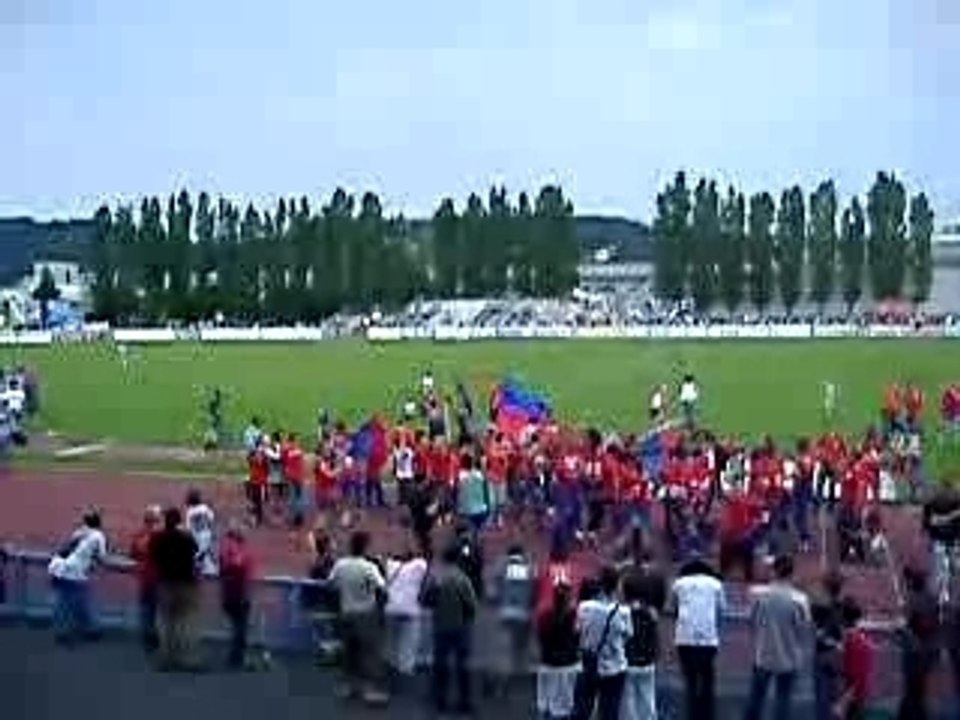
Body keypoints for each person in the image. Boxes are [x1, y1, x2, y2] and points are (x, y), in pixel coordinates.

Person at [742, 555, 812, 720]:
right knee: (783, 700)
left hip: (763, 654)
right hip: (789, 656)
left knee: (756, 699)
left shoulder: (756, 594)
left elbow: (750, 620)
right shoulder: (800, 599)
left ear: (774, 571)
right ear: (791, 573)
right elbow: (803, 629)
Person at [328, 530, 389, 705]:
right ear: (365, 547)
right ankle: (369, 691)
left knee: (349, 652)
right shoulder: (369, 567)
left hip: (346, 612)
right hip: (366, 614)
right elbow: (382, 589)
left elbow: (331, 584)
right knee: (369, 653)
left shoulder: (341, 564)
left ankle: (349, 687)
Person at [419, 542, 479, 717]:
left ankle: (440, 700)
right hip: (460, 628)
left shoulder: (436, 578)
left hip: (440, 627)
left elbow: (424, 601)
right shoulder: (462, 579)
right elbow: (472, 606)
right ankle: (464, 702)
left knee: (441, 665)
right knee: (463, 667)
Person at [573, 565, 633, 720]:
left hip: (589, 665)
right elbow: (627, 637)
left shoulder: (584, 607)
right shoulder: (624, 612)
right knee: (610, 712)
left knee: (582, 710)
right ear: (617, 585)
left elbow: (577, 631)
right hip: (615, 668)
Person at [671, 558, 725, 720]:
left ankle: (691, 714)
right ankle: (707, 715)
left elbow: (675, 607)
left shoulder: (678, 584)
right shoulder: (716, 584)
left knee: (690, 679)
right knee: (707, 678)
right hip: (708, 638)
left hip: (684, 637)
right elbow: (721, 609)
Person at [149, 506, 201, 671]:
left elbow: (153, 555)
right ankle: (189, 660)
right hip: (186, 584)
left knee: (165, 623)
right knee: (187, 623)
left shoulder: (158, 538)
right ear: (179, 521)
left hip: (165, 583)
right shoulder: (186, 537)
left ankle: (166, 659)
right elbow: (196, 549)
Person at [47, 510, 107, 645]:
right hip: (76, 574)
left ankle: (64, 632)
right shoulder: (98, 536)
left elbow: (67, 548)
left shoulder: (78, 532)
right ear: (99, 523)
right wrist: (94, 561)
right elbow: (102, 557)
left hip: (60, 569)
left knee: (63, 603)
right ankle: (89, 630)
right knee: (79, 603)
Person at [897, 566, 940, 720]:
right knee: (918, 690)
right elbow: (935, 625)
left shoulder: (913, 600)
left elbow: (904, 625)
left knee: (912, 689)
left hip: (915, 651)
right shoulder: (932, 599)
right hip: (927, 651)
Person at [493, 543, 537, 695]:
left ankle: (503, 684)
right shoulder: (529, 568)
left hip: (505, 614)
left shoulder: (502, 568)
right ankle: (528, 681)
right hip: (524, 615)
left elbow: (494, 590)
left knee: (506, 651)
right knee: (522, 648)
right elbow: (534, 587)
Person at [383, 542, 429, 684]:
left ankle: (390, 665)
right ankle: (406, 667)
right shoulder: (419, 565)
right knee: (409, 641)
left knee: (390, 640)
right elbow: (425, 564)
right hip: (410, 609)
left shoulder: (390, 565)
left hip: (391, 608)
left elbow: (386, 558)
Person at [537, 583, 581, 720]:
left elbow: (541, 638)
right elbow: (578, 640)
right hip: (567, 667)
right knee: (563, 708)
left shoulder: (545, 616)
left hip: (547, 665)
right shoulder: (574, 616)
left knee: (545, 706)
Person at [620, 571, 660, 720]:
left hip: (628, 662)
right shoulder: (651, 612)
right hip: (647, 662)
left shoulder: (622, 611)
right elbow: (654, 638)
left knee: (628, 703)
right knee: (648, 700)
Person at [218, 522, 255, 669]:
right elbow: (239, 567)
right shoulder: (238, 551)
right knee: (240, 628)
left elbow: (223, 570)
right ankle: (237, 657)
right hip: (239, 594)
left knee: (237, 626)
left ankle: (236, 655)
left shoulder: (225, 551)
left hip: (228, 592)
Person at [811, 572, 846, 720]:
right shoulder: (842, 607)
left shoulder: (819, 607)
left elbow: (818, 633)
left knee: (821, 697)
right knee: (835, 695)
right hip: (837, 656)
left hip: (823, 654)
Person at [128, 505, 162, 653]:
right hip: (159, 578)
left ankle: (147, 638)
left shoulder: (139, 535)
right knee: (160, 609)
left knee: (146, 609)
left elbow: (133, 554)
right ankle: (157, 638)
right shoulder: (162, 535)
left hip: (144, 577)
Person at [835, 598, 872, 720]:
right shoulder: (858, 638)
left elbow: (856, 678)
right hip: (856, 697)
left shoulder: (853, 642)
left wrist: (842, 703)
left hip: (853, 699)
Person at [184, 489, 217, 575]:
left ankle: (200, 568)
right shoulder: (205, 508)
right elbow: (211, 519)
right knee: (207, 555)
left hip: (196, 538)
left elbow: (188, 529)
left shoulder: (189, 512)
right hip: (207, 536)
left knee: (199, 557)